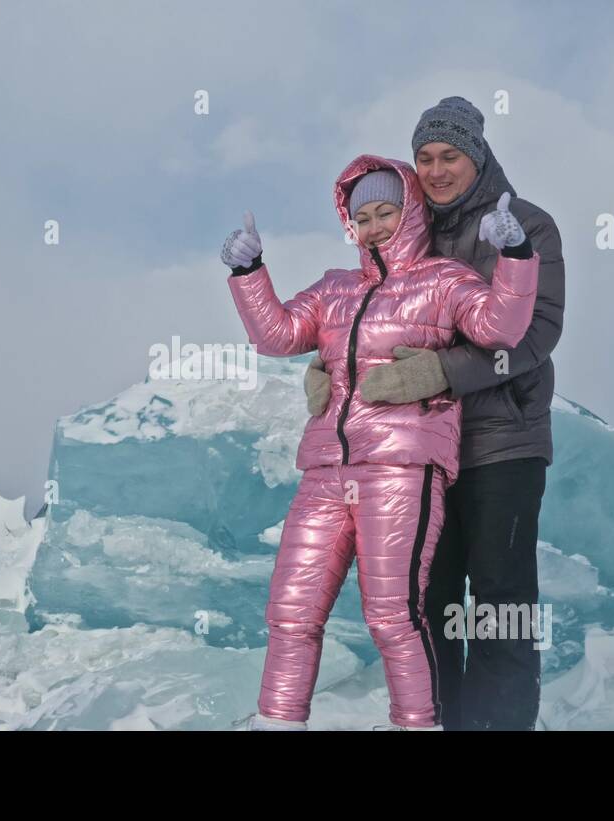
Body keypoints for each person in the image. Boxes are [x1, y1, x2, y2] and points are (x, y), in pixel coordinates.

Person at [222, 153, 539, 730]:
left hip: (400, 468)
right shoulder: (333, 289)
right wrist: (250, 274)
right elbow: (278, 335)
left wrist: (515, 256)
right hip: (325, 472)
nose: (373, 227)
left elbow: (501, 329)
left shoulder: (444, 279)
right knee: (291, 613)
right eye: (361, 216)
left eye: (386, 212)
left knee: (393, 616)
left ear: (411, 211)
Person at [304, 97, 566, 730]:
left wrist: (441, 372)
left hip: (501, 442)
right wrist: (326, 367)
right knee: (428, 604)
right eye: (424, 158)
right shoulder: (402, 230)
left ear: (477, 155)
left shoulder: (525, 225)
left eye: (450, 156)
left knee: (500, 604)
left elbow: (536, 336)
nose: (437, 169)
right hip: (418, 457)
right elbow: (365, 319)